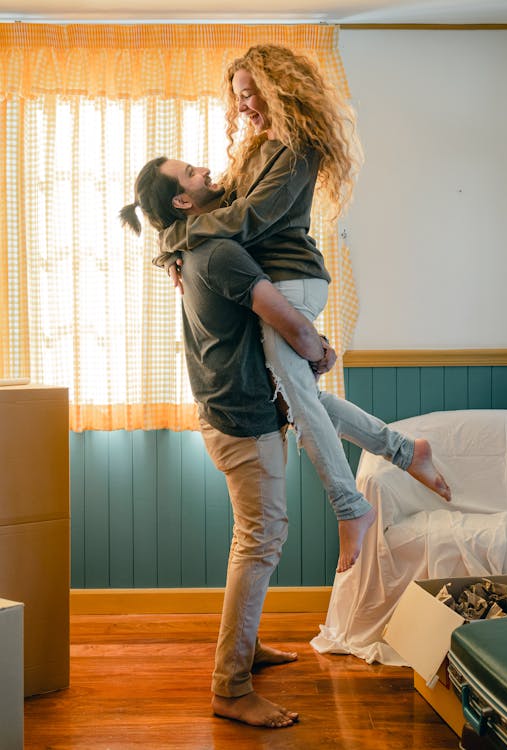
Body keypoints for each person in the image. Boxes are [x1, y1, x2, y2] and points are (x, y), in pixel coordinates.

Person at [152, 45, 451, 573]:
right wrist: (172, 249)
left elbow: (251, 218)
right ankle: (406, 452)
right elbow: (220, 212)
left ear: (275, 89)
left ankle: (350, 507)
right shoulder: (259, 148)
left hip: (293, 280)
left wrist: (180, 234)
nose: (243, 107)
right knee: (300, 397)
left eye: (249, 95)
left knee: (298, 395)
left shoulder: (298, 147)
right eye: (238, 98)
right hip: (274, 281)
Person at [120, 156, 337, 729]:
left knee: (252, 538)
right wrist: (321, 352)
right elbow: (286, 320)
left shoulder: (186, 246)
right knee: (261, 542)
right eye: (193, 173)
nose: (208, 171)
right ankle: (231, 687)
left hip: (223, 412)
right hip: (242, 419)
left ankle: (249, 644)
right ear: (184, 203)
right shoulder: (220, 252)